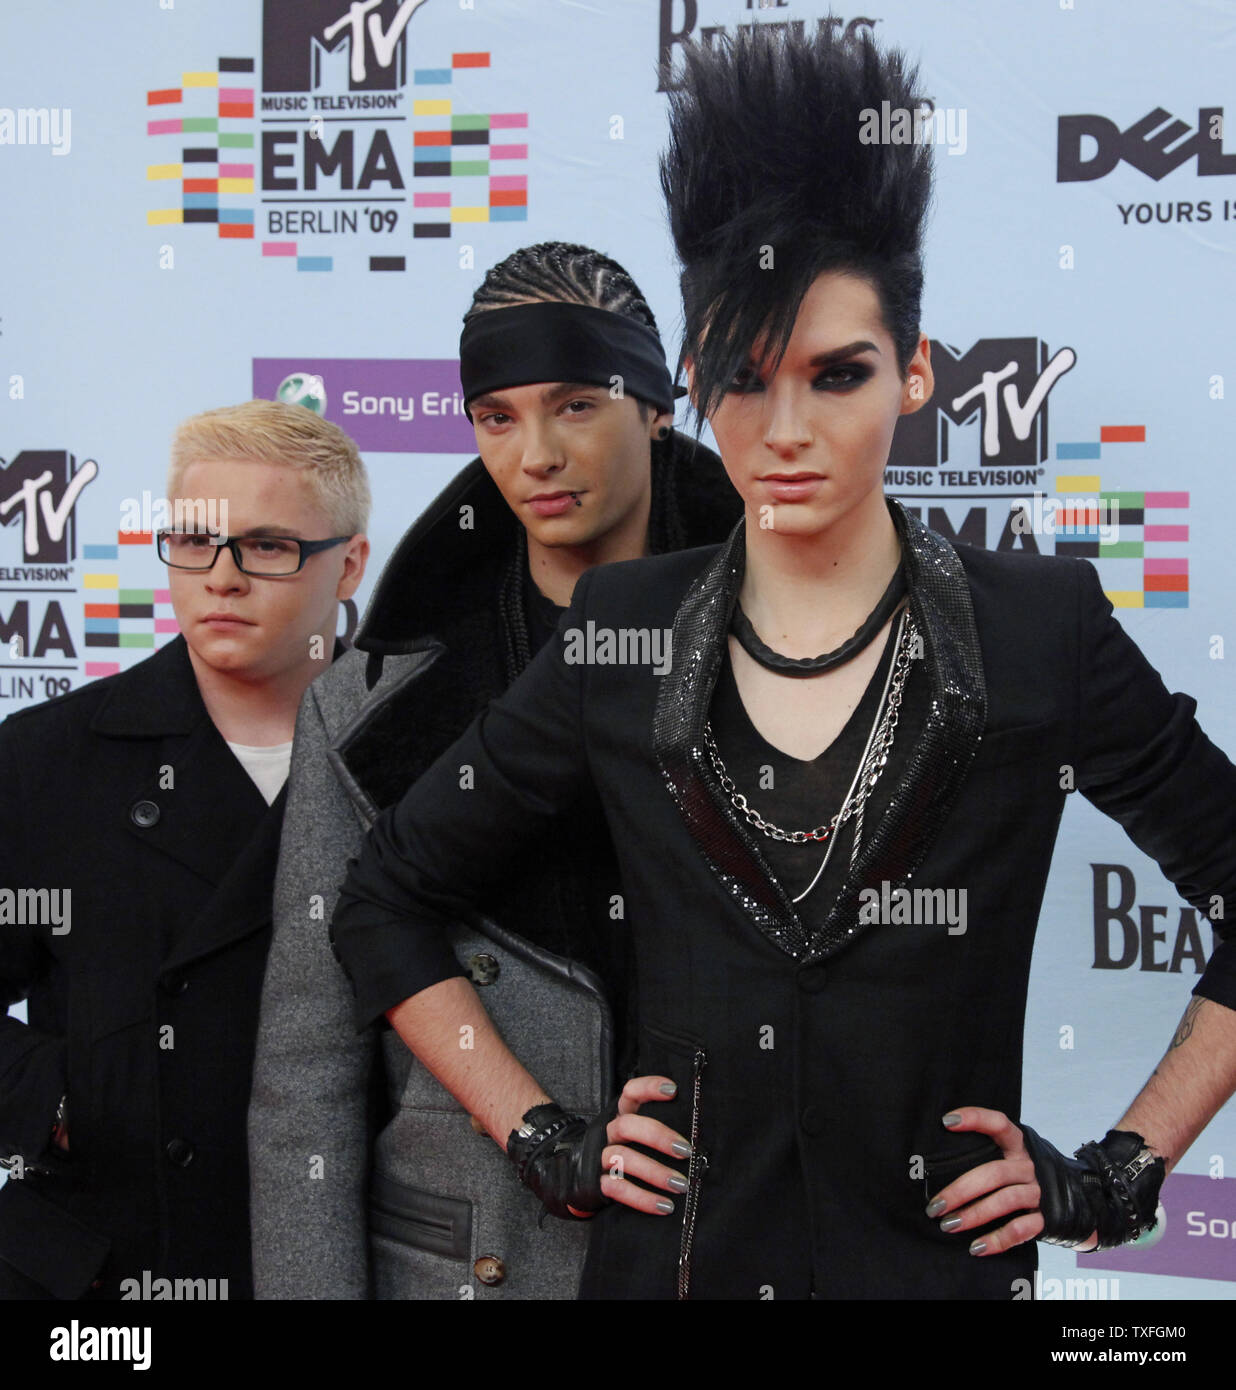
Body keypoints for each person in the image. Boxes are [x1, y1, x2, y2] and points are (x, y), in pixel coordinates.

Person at [330, 30, 1236, 1299]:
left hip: (941, 1274)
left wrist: (1118, 1172)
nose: (788, 430)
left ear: (916, 374)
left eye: (839, 374)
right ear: (694, 384)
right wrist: (543, 1135)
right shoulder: (624, 629)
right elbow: (381, 898)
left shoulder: (1042, 629)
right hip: (677, 1268)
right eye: (746, 382)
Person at [247, 243, 740, 1299]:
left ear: (656, 406)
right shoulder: (370, 702)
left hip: (734, 1241)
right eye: (498, 417)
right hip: (475, 1261)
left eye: (573, 405)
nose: (536, 456)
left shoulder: (805, 650)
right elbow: (307, 1074)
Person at [0, 399, 369, 1299]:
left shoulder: (424, 753)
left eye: (269, 546)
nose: (222, 578)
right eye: (195, 542)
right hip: (106, 1269)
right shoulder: (45, 759)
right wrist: (63, 1096)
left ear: (349, 564)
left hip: (349, 1253)